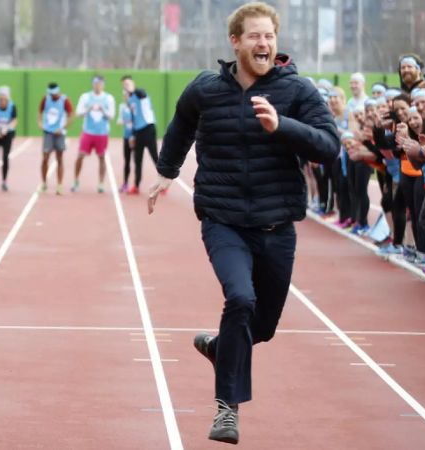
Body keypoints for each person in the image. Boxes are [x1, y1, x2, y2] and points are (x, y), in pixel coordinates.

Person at [147, 2, 338, 444]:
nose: (263, 43)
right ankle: (226, 410)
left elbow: (329, 145)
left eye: (269, 36)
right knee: (240, 298)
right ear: (235, 42)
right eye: (254, 36)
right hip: (223, 219)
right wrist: (165, 171)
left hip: (277, 226)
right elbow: (180, 128)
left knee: (262, 328)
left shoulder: (297, 91)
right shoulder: (206, 89)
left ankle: (220, 348)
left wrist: (283, 126)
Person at [71, 75, 115, 193]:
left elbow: (111, 116)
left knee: (102, 157)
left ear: (103, 84)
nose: (98, 85)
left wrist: (102, 110)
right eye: (95, 83)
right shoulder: (85, 97)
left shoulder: (108, 98)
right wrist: (88, 109)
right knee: (80, 155)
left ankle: (101, 183)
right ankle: (75, 180)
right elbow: (78, 113)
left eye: (100, 83)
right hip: (88, 132)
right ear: (92, 84)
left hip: (102, 133)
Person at [123, 75, 160, 195]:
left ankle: (163, 183)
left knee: (155, 157)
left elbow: (141, 92)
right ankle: (136, 185)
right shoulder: (129, 100)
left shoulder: (140, 93)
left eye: (128, 84)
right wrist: (133, 135)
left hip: (148, 129)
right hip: (138, 132)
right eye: (124, 84)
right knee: (137, 159)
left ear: (133, 84)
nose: (126, 86)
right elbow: (133, 118)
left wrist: (132, 89)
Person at [38, 82, 74, 195]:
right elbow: (39, 112)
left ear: (58, 91)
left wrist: (63, 127)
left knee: (59, 159)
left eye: (55, 94)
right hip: (48, 132)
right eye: (51, 94)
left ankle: (59, 185)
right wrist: (40, 123)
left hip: (59, 133)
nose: (53, 96)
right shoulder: (46, 99)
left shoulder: (64, 100)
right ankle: (44, 184)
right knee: (45, 158)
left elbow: (71, 115)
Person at [117, 87, 134, 193]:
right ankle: (125, 183)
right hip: (127, 137)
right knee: (127, 160)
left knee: (137, 161)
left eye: (127, 95)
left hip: (136, 136)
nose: (126, 97)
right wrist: (124, 121)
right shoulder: (122, 107)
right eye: (124, 95)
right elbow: (119, 121)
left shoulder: (135, 106)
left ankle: (136, 184)